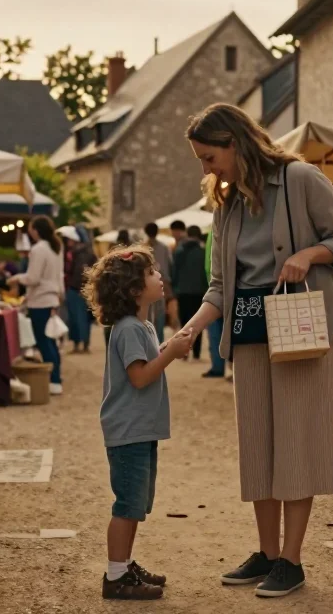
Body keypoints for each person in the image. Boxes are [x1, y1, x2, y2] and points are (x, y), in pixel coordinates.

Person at [179, 103, 333, 598]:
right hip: (248, 327)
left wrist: (308, 255)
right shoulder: (226, 203)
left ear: (235, 143)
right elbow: (220, 286)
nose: (206, 168)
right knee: (258, 444)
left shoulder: (301, 179)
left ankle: (291, 561)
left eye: (209, 157)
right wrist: (188, 332)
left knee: (297, 441)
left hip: (299, 325)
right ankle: (266, 552)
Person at [82, 244, 192, 600]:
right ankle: (115, 575)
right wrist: (170, 354)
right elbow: (140, 377)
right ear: (133, 290)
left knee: (135, 504)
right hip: (129, 431)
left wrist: (168, 346)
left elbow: (145, 363)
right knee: (127, 506)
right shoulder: (130, 328)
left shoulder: (140, 326)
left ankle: (124, 565)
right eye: (150, 273)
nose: (159, 276)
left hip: (138, 430)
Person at [9, 215, 66, 395]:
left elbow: (33, 278)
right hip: (52, 298)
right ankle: (56, 378)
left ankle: (53, 379)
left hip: (40, 300)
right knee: (51, 341)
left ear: (36, 230)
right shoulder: (56, 248)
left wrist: (16, 278)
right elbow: (59, 276)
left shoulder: (38, 249)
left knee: (44, 341)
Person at [171, 224, 208, 362]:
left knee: (185, 322)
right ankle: (196, 353)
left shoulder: (179, 251)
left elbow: (174, 271)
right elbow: (205, 272)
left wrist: (175, 287)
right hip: (199, 291)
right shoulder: (203, 251)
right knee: (198, 322)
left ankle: (184, 352)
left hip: (183, 291)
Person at [60, 225, 96, 354]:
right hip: (76, 289)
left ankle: (83, 344)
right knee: (76, 319)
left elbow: (85, 273)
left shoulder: (83, 254)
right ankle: (79, 344)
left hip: (79, 290)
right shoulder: (75, 252)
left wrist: (83, 286)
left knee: (81, 319)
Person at [143, 222, 173, 344]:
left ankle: (148, 343)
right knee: (159, 314)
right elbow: (168, 267)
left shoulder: (141, 248)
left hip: (145, 286)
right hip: (161, 284)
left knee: (146, 315)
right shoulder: (164, 247)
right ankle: (158, 344)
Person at [204, 228, 227, 379]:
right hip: (234, 289)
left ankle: (218, 368)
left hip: (215, 290)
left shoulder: (214, 229)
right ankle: (231, 368)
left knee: (215, 333)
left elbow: (208, 265)